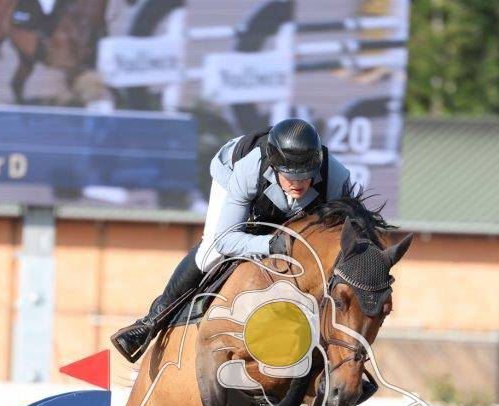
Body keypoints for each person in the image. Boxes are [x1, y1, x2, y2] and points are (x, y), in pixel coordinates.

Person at [111, 118, 353, 363]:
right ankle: (149, 323)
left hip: (291, 205)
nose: (298, 184)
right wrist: (269, 245)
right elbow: (226, 240)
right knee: (210, 253)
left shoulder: (335, 179)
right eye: (290, 176)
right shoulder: (249, 169)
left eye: (306, 176)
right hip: (232, 176)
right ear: (275, 167)